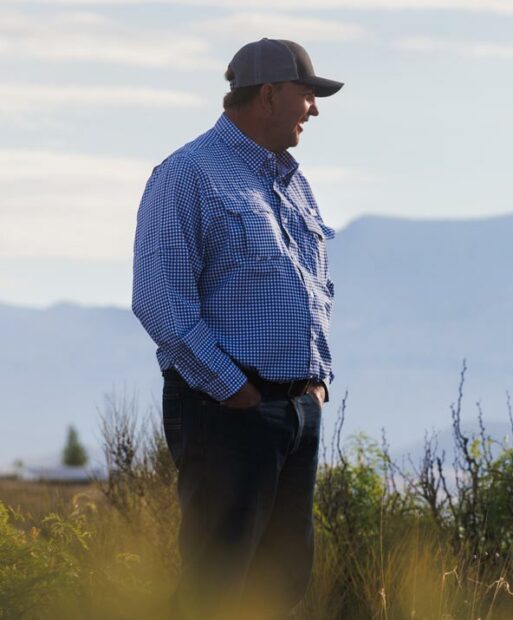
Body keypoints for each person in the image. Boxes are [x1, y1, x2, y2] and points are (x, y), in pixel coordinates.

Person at [131, 38, 343, 617]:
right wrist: (236, 389)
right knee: (216, 586)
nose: (315, 110)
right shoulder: (185, 176)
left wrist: (315, 388)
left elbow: (314, 288)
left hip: (295, 411)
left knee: (282, 584)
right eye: (308, 95)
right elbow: (159, 302)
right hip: (228, 411)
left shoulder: (292, 183)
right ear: (270, 95)